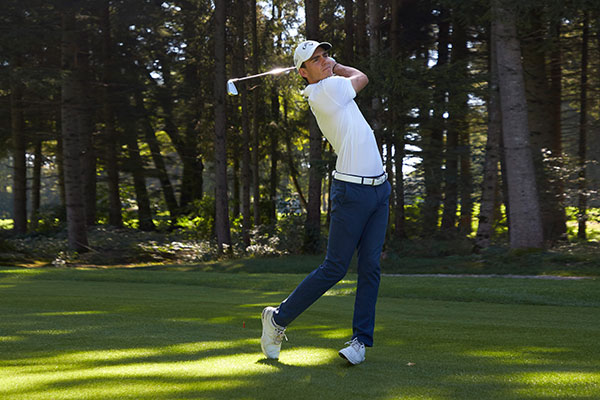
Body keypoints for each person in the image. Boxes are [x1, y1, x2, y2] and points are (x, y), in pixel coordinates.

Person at [261, 40, 390, 365]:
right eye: (315, 60)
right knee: (334, 268)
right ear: (303, 73)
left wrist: (332, 66)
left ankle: (360, 341)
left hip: (380, 189)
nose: (324, 61)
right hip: (352, 192)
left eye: (325, 55)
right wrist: (339, 66)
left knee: (370, 267)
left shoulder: (331, 87)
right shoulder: (325, 90)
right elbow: (362, 77)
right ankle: (277, 319)